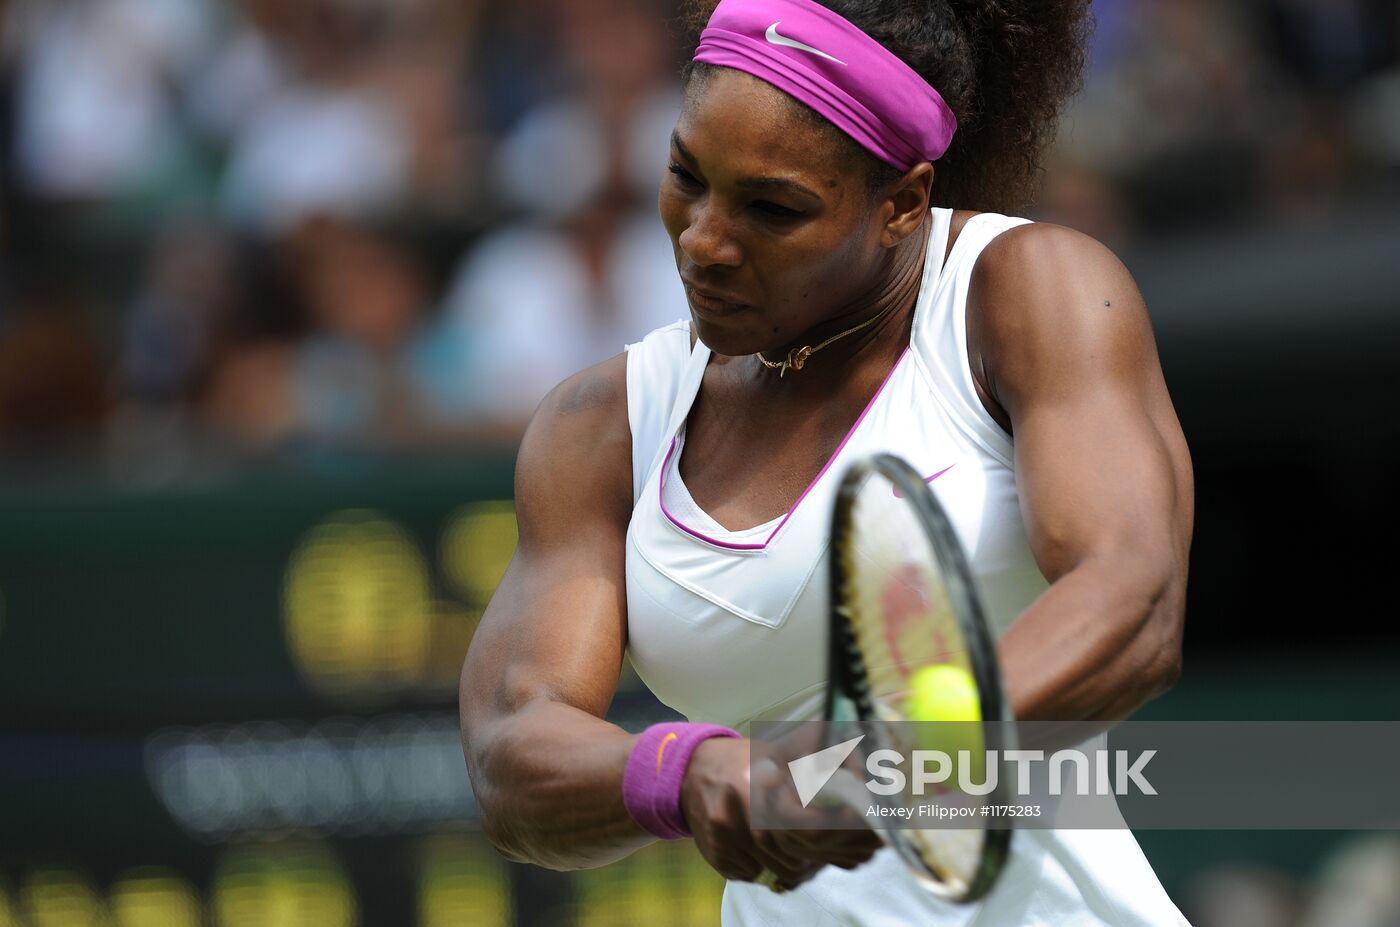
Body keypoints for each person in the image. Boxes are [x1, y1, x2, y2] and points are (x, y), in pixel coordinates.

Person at [459, 0, 1195, 923]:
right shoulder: (600, 423)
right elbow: (509, 747)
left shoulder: (1026, 289)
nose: (704, 241)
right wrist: (691, 771)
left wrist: (878, 757)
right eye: (686, 176)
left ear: (903, 204)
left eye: (773, 209)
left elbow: (1133, 599)